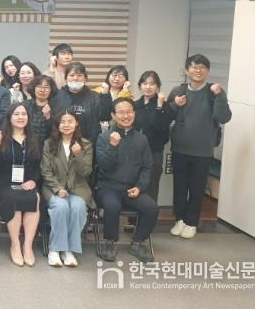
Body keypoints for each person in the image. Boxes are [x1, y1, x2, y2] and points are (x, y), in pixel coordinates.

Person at [167, 54, 232, 239]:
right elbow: (166, 115)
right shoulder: (178, 90)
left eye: (202, 67)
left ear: (208, 71)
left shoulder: (214, 92)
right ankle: (179, 219)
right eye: (194, 67)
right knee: (179, 187)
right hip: (179, 148)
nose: (198, 70)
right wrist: (174, 104)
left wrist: (220, 96)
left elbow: (224, 118)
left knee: (197, 189)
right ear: (187, 70)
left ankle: (191, 222)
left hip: (203, 150)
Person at [95, 98, 158, 263]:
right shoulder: (104, 137)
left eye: (129, 112)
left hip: (132, 188)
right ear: (113, 115)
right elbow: (103, 166)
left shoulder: (141, 139)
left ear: (134, 114)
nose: (126, 116)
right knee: (112, 206)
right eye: (121, 112)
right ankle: (110, 242)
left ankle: (138, 242)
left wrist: (140, 187)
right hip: (107, 187)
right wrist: (112, 146)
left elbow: (147, 167)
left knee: (151, 207)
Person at [0, 103, 42, 267]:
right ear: (9, 118)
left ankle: (28, 246)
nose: (20, 117)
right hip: (4, 182)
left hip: (27, 181)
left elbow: (38, 166)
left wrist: (34, 180)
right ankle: (15, 244)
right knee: (13, 199)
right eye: (16, 114)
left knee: (34, 198)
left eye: (24, 114)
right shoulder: (0, 137)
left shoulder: (34, 139)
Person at [40, 111, 94, 267]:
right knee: (61, 206)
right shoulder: (49, 143)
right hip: (53, 187)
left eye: (70, 121)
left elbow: (86, 172)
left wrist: (78, 155)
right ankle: (55, 249)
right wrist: (57, 188)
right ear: (58, 125)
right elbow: (45, 171)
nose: (66, 125)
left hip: (78, 188)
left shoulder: (86, 145)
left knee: (78, 207)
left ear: (76, 123)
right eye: (62, 122)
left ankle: (68, 250)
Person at [134, 71, 173, 201]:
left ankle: (150, 213)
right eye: (145, 83)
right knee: (134, 185)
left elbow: (160, 127)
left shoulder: (164, 106)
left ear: (158, 86)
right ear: (140, 86)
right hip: (136, 152)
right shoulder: (135, 105)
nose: (148, 87)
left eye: (152, 84)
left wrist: (159, 106)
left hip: (154, 152)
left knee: (151, 187)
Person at [53, 62, 112, 147]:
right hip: (62, 144)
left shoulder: (95, 97)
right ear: (66, 78)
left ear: (85, 78)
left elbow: (105, 117)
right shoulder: (57, 96)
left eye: (79, 75)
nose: (75, 78)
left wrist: (105, 96)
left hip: (89, 144)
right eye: (71, 75)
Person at [25, 74, 60, 148]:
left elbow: (58, 131)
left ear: (51, 90)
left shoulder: (57, 107)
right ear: (33, 88)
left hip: (49, 147)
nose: (42, 90)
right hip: (27, 145)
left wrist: (48, 118)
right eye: (39, 86)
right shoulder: (24, 106)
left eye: (46, 87)